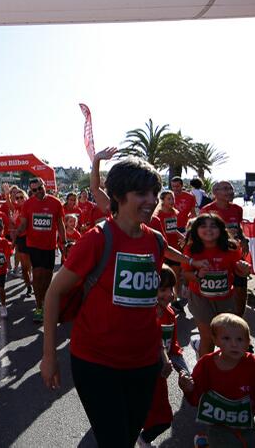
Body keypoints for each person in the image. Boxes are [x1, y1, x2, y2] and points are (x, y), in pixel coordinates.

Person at [41, 158, 205, 447]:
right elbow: (54, 293)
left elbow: (147, 307)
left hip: (143, 364)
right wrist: (50, 355)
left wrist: (161, 354)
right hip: (95, 362)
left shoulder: (155, 242)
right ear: (118, 196)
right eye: (142, 193)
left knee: (128, 435)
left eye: (154, 193)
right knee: (114, 440)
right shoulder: (96, 240)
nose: (151, 200)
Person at [179, 314, 255, 448]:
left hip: (246, 422)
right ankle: (206, 442)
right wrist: (188, 387)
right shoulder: (206, 364)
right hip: (217, 424)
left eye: (240, 339)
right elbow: (196, 396)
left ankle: (205, 442)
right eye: (226, 338)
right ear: (215, 340)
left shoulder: (253, 364)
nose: (234, 344)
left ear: (248, 342)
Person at [182, 214, 251, 357]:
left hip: (226, 298)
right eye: (203, 226)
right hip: (200, 298)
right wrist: (198, 275)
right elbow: (186, 274)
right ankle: (203, 373)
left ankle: (225, 370)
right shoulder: (190, 250)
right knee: (208, 338)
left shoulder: (231, 248)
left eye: (213, 226)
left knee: (226, 337)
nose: (208, 229)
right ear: (196, 230)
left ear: (221, 229)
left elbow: (239, 272)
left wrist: (243, 270)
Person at [138, 267, 190, 448]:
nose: (169, 294)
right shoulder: (140, 315)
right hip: (139, 377)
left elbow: (173, 348)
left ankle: (144, 439)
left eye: (171, 289)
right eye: (162, 289)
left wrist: (184, 370)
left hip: (159, 380)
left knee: (163, 419)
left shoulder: (170, 315)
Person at [15, 177, 66, 323]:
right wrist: (17, 232)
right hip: (34, 245)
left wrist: (64, 241)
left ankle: (44, 301)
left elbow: (60, 223)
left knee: (47, 277)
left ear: (44, 185)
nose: (37, 192)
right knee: (37, 275)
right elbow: (24, 224)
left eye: (39, 188)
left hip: (50, 246)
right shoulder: (28, 204)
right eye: (34, 190)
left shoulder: (55, 202)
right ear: (30, 191)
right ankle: (39, 306)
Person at [201, 181, 247, 315]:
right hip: (217, 255)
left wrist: (244, 239)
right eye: (225, 189)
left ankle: (239, 319)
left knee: (241, 286)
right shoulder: (207, 210)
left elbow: (238, 228)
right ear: (215, 193)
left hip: (236, 253)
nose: (230, 192)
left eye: (231, 189)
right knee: (219, 290)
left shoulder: (237, 209)